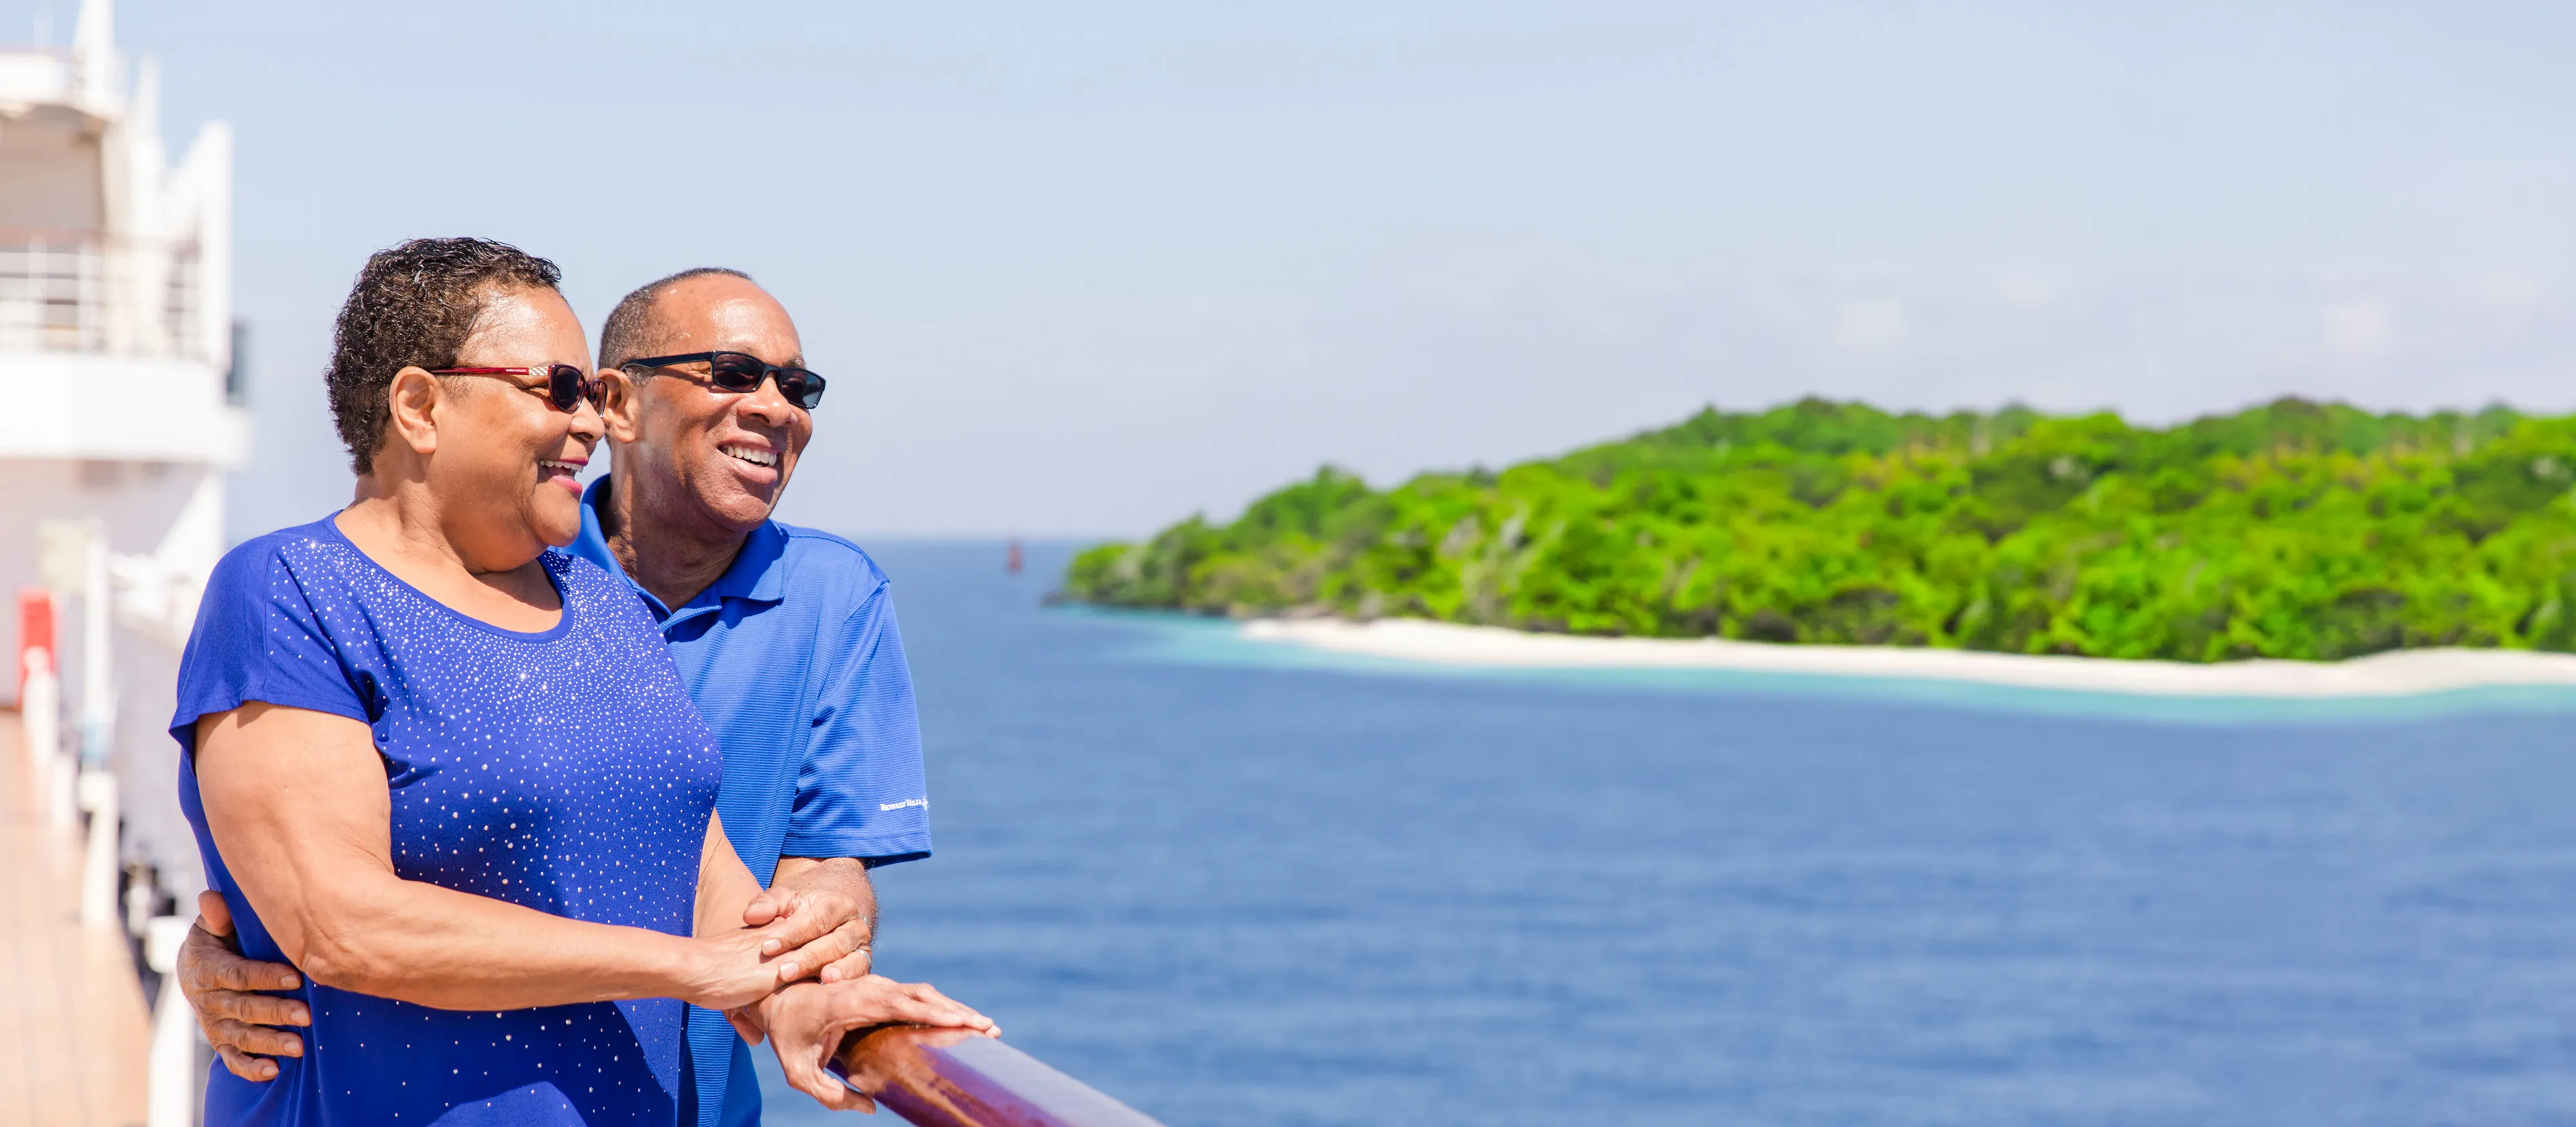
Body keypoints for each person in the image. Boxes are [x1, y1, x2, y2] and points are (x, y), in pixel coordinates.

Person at [180, 264, 971, 1120]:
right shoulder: (290, 588)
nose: (592, 422)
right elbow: (341, 924)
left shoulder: (597, 605)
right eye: (559, 389)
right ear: (419, 407)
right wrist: (692, 970)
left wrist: (796, 996)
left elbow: (703, 875)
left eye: (591, 393)